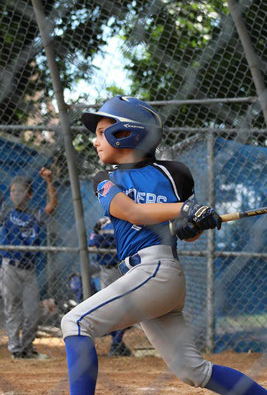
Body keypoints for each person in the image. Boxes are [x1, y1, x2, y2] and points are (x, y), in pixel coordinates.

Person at [61, 96, 267, 395]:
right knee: (193, 370)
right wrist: (184, 211)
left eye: (102, 132)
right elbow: (133, 212)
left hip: (158, 271)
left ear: (127, 132)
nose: (96, 141)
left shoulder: (175, 173)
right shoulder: (105, 178)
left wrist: (196, 223)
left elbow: (187, 232)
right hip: (146, 279)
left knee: (75, 322)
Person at [0, 167, 58, 359]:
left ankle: (26, 348)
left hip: (29, 270)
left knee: (33, 313)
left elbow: (52, 205)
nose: (16, 194)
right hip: (10, 266)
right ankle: (16, 350)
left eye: (21, 191)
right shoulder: (6, 212)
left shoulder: (34, 214)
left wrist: (49, 181)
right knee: (12, 309)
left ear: (30, 194)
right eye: (13, 191)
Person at [88, 216, 131, 356]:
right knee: (110, 307)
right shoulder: (102, 222)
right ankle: (117, 343)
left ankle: (117, 343)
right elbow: (92, 245)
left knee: (125, 307)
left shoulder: (129, 219)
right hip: (107, 269)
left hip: (124, 268)